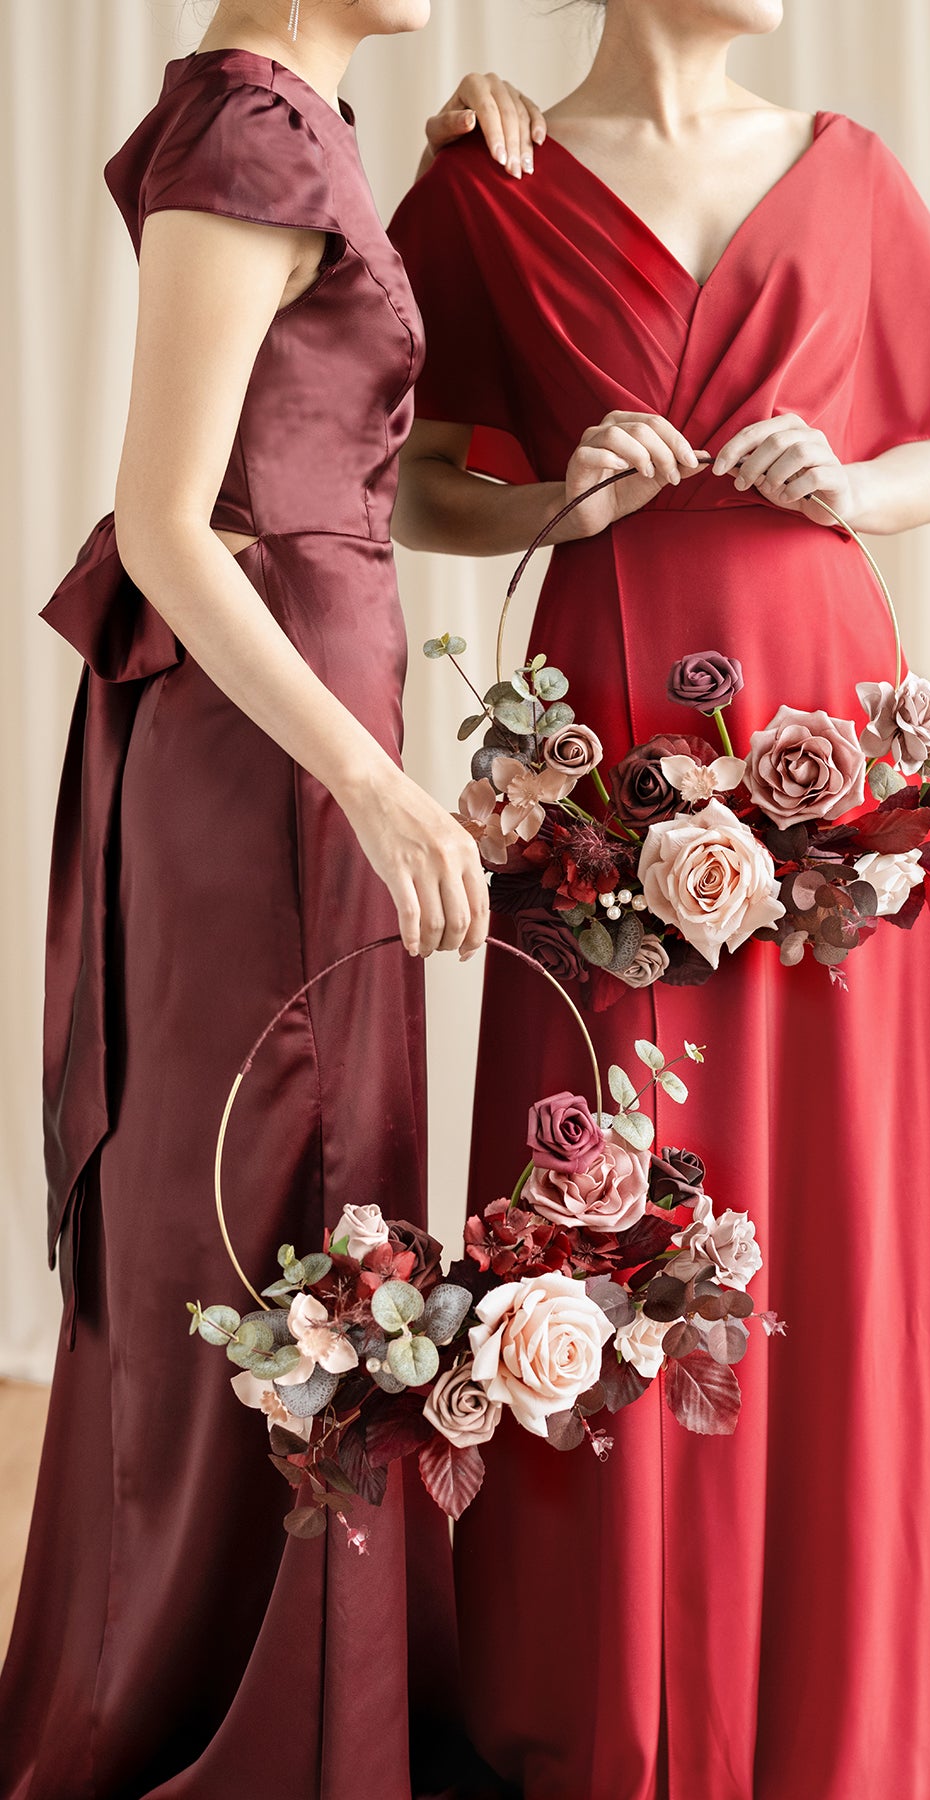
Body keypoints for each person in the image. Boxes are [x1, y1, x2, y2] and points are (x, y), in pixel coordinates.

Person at [389, 2, 930, 1795]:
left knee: (837, 1198)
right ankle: (602, 1699)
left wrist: (854, 483)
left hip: (829, 742)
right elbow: (412, 486)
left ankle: (849, 1701)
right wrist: (563, 507)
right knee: (610, 1199)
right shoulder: (490, 177)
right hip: (604, 744)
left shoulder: (843, 169)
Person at [0, 5, 540, 1795]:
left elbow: (332, 461)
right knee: (253, 1198)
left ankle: (328, 1705)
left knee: (311, 1203)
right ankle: (216, 1719)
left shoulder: (302, 117)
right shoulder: (253, 128)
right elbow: (170, 521)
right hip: (270, 756)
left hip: (299, 721)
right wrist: (373, 784)